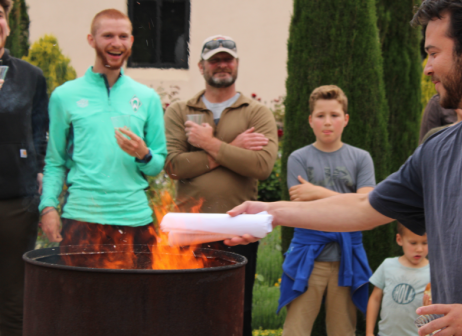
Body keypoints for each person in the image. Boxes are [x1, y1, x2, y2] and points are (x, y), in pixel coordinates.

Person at [227, 1, 462, 335]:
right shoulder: (440, 145)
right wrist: (270, 212)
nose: (427, 66)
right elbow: (364, 206)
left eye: (433, 53)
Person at [163, 35, 278, 336]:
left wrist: (208, 144)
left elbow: (261, 166)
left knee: (236, 310)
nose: (222, 65)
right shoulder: (179, 110)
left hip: (238, 230)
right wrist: (231, 148)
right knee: (186, 309)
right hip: (189, 228)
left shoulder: (256, 113)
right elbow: (174, 166)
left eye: (227, 59)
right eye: (214, 60)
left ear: (236, 64)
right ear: (202, 66)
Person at [39, 9, 166, 248]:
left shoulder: (147, 98)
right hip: (81, 219)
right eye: (108, 35)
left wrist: (143, 154)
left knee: (139, 287)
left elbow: (157, 164)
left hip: (135, 219)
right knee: (78, 287)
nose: (116, 43)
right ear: (91, 40)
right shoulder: (64, 96)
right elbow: (55, 162)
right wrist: (48, 207)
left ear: (131, 41)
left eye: (123, 36)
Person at [279, 85, 374, 335]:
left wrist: (318, 193)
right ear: (311, 121)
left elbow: (366, 206)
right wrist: (348, 201)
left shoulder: (361, 158)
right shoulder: (298, 158)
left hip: (347, 260)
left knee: (343, 330)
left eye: (334, 115)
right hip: (308, 259)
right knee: (295, 330)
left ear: (346, 119)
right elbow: (302, 210)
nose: (327, 122)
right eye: (320, 116)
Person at [0, 1, 49, 334]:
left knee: (14, 295)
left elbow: (39, 133)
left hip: (16, 202)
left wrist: (40, 173)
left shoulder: (31, 77)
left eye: (0, 16)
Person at [366, 223, 430, 336]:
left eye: (425, 243)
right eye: (413, 243)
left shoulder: (434, 272)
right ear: (399, 239)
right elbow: (375, 299)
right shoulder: (387, 265)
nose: (419, 249)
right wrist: (369, 332)